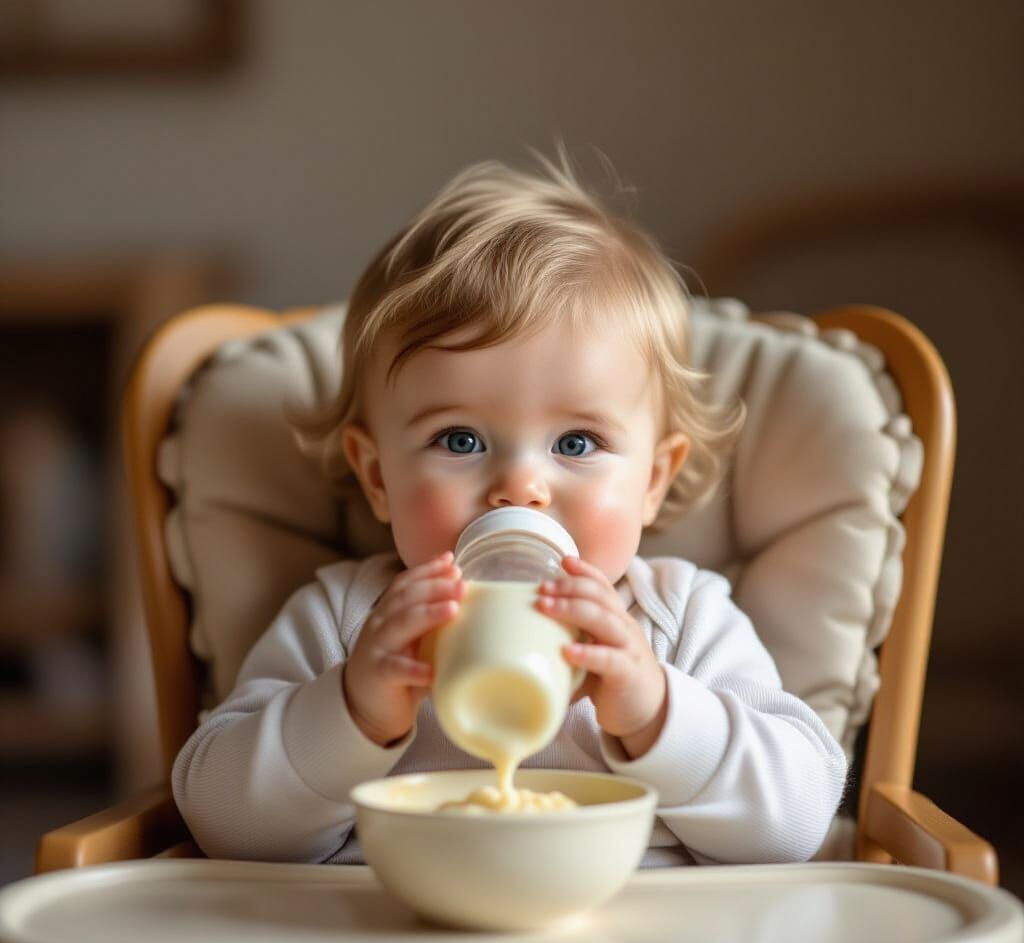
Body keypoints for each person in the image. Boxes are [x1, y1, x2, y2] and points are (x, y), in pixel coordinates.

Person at [171, 144, 847, 867]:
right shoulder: (349, 622)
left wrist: (656, 715)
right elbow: (219, 818)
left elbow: (799, 822)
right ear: (377, 477)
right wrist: (351, 711)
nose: (521, 485)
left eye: (578, 443)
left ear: (653, 479)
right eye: (458, 439)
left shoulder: (680, 622)